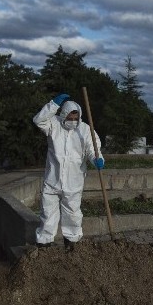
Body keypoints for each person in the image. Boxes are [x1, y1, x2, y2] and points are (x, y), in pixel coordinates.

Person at [33, 93, 104, 250]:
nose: (72, 121)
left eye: (75, 119)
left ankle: (71, 242)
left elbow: (93, 149)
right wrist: (53, 105)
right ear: (63, 115)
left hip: (74, 180)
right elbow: (38, 120)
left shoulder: (85, 130)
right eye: (70, 118)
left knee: (72, 212)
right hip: (52, 179)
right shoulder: (53, 124)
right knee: (47, 212)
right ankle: (44, 242)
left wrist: (97, 160)